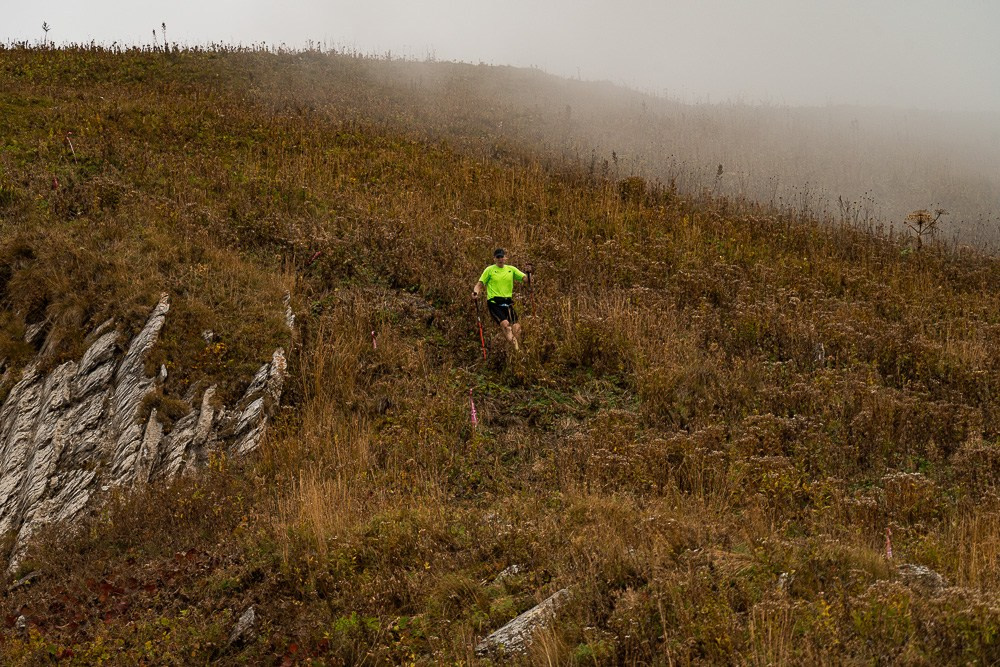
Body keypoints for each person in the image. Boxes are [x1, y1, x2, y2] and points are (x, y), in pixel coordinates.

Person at [472, 248, 533, 352]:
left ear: (505, 258)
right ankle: (517, 352)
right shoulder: (489, 270)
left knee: (517, 328)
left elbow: (527, 280)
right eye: (498, 257)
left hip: (508, 303)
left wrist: (529, 272)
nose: (500, 259)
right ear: (494, 259)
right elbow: (479, 284)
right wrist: (475, 293)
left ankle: (513, 349)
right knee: (506, 326)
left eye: (502, 257)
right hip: (494, 303)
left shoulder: (511, 269)